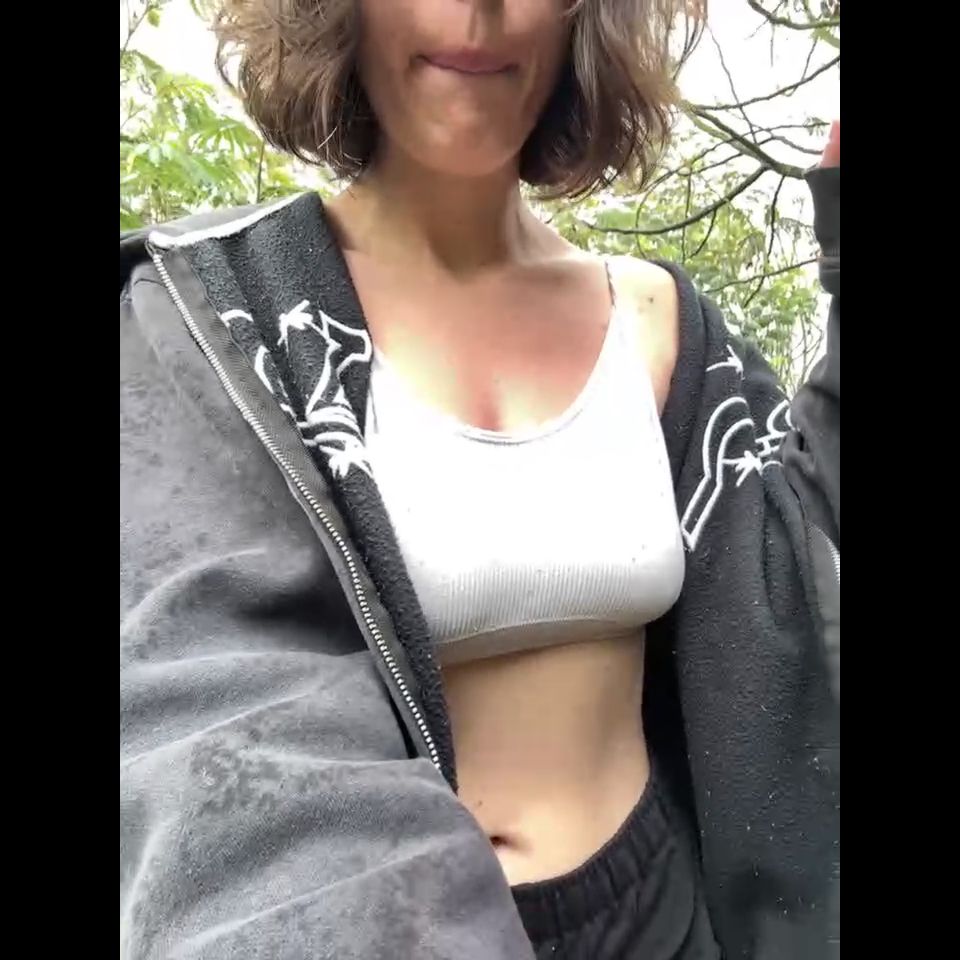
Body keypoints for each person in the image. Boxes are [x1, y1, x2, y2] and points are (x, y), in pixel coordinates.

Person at [120, 1, 840, 957]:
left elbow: (797, 583)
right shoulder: (215, 324)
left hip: (666, 922)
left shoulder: (664, 324)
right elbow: (209, 727)